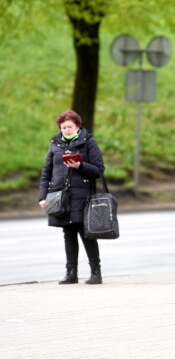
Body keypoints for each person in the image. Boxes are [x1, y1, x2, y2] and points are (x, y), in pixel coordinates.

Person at [38, 110, 106, 285]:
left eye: (70, 127)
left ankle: (96, 273)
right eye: (63, 127)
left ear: (78, 126)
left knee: (87, 234)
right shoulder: (55, 144)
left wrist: (80, 165)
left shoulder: (89, 143)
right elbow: (46, 173)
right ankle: (71, 273)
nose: (66, 130)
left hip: (83, 196)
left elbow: (98, 170)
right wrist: (42, 197)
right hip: (61, 197)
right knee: (68, 234)